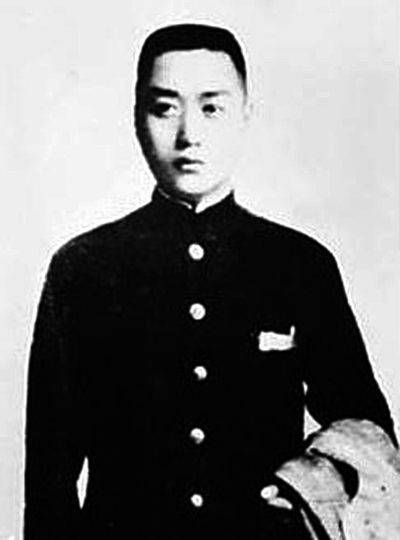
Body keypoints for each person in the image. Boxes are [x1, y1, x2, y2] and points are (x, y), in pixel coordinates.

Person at [24, 23, 398, 539]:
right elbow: (50, 474)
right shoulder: (82, 268)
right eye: (164, 108)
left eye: (212, 108)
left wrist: (314, 485)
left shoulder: (300, 265)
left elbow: (368, 430)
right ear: (136, 118)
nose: (189, 135)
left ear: (246, 116)